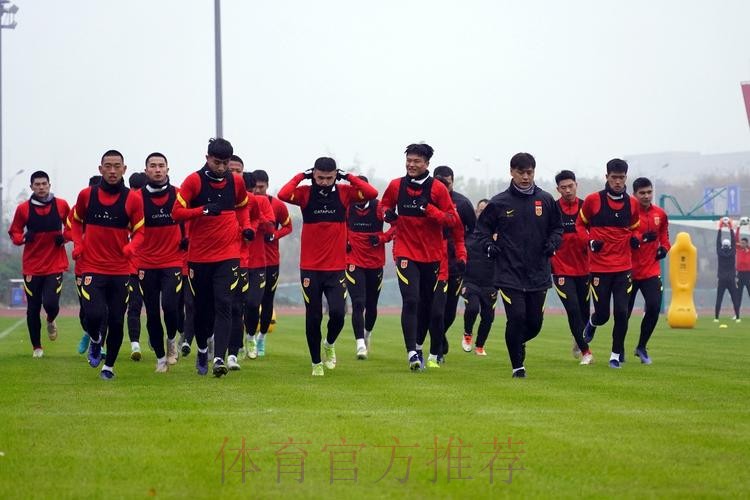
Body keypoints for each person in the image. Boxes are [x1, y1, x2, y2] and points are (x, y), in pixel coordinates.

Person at [278, 157, 377, 376]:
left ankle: (329, 344)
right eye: (320, 177)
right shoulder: (305, 194)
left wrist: (348, 176)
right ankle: (316, 363)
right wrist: (301, 176)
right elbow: (283, 194)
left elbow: (371, 193)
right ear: (313, 174)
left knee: (338, 314)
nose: (324, 182)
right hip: (310, 268)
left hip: (336, 268)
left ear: (335, 176)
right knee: (313, 317)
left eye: (329, 178)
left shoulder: (344, 192)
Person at [172, 138, 253, 377]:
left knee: (224, 303)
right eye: (217, 162)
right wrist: (203, 210)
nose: (221, 167)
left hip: (228, 254)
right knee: (202, 310)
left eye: (225, 163)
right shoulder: (194, 181)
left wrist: (246, 227)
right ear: (207, 158)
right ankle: (201, 349)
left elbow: (243, 206)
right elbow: (176, 213)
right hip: (199, 257)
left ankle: (219, 359)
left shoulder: (236, 181)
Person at [476, 152, 562, 378]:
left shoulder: (545, 200)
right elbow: (482, 230)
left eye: (529, 172)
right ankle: (518, 367)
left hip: (538, 272)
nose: (525, 177)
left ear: (534, 172)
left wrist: (553, 243)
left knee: (534, 323)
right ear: (511, 172)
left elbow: (557, 228)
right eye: (521, 172)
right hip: (509, 272)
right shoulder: (499, 202)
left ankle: (516, 342)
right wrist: (489, 246)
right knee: (516, 318)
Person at [380, 143, 457, 371]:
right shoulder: (396, 185)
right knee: (411, 300)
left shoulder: (438, 189)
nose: (411, 165)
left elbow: (452, 220)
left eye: (417, 161)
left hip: (431, 256)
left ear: (427, 164)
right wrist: (386, 213)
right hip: (405, 252)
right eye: (409, 160)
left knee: (427, 305)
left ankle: (422, 347)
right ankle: (412, 352)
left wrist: (430, 210)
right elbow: (383, 205)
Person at [70, 150, 145, 380]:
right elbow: (75, 222)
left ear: (124, 169)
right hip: (92, 267)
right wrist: (78, 243)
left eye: (117, 166)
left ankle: (109, 367)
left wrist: (131, 247)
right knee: (93, 315)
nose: (112, 171)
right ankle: (95, 339)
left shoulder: (133, 199)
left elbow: (141, 232)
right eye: (108, 166)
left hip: (120, 270)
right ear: (100, 169)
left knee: (116, 320)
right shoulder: (86, 195)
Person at [578, 158, 640, 369]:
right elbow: (580, 225)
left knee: (622, 312)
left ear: (626, 178)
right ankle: (593, 322)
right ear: (607, 177)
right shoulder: (593, 200)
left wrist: (635, 239)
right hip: (599, 268)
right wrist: (590, 242)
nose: (618, 182)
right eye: (614, 177)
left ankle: (615, 355)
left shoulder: (632, 203)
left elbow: (636, 228)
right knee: (603, 315)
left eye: (621, 178)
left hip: (623, 268)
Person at [131, 153, 185, 373]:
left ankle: (171, 340)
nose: (157, 169)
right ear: (146, 171)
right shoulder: (136, 198)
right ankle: (161, 358)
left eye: (161, 165)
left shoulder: (178, 194)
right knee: (152, 313)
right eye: (153, 166)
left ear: (167, 170)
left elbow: (190, 220)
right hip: (146, 263)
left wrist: (187, 239)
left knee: (170, 307)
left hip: (172, 261)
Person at [8, 171, 70, 358]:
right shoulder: (23, 209)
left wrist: (64, 237)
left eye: (44, 184)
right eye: (37, 184)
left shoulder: (61, 205)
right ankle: (37, 347)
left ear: (49, 185)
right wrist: (23, 238)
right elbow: (14, 231)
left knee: (51, 303)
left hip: (55, 264)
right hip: (32, 266)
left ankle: (51, 319)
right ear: (32, 187)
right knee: (33, 308)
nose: (41, 187)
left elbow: (72, 226)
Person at [225, 156, 272, 370]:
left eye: (239, 171)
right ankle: (231, 346)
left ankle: (251, 337)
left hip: (258, 262)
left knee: (253, 304)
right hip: (233, 260)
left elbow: (271, 226)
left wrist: (254, 224)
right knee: (233, 306)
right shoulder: (225, 198)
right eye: (232, 170)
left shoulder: (260, 202)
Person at [345, 176, 394, 360]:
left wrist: (382, 238)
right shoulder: (346, 206)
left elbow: (397, 225)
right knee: (358, 303)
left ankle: (366, 335)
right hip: (353, 261)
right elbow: (338, 226)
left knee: (371, 305)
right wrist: (344, 240)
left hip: (375, 263)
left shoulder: (379, 207)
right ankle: (359, 345)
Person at [550, 170, 593, 365]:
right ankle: (586, 352)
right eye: (563, 187)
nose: (567, 190)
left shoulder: (586, 208)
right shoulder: (553, 209)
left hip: (585, 269)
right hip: (561, 269)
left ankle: (579, 338)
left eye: (570, 186)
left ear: (577, 185)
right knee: (573, 309)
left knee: (584, 312)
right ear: (558, 189)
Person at [249, 169, 293, 358]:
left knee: (267, 300)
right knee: (249, 302)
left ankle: (261, 338)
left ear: (267, 185)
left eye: (261, 187)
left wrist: (275, 235)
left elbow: (288, 226)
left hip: (271, 260)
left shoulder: (278, 205)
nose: (258, 191)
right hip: (250, 261)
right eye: (255, 187)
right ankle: (248, 338)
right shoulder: (247, 202)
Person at [627, 177, 671, 364]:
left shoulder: (660, 214)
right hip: (628, 270)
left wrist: (664, 249)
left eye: (649, 192)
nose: (646, 196)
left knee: (654, 307)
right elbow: (626, 237)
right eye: (642, 193)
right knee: (623, 313)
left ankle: (641, 347)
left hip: (651, 271)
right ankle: (618, 349)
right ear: (634, 194)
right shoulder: (627, 213)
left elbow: (665, 237)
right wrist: (641, 238)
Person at [432, 166, 476, 355]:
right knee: (434, 308)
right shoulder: (427, 200)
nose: (443, 186)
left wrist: (463, 253)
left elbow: (473, 231)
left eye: (447, 183)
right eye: (439, 182)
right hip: (432, 261)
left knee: (449, 310)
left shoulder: (463, 203)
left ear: (452, 182)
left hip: (455, 265)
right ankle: (437, 345)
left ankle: (440, 336)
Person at [460, 230, 497, 356]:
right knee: (473, 308)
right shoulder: (469, 235)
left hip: (490, 283)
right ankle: (467, 334)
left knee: (488, 317)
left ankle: (480, 346)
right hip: (471, 281)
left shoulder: (497, 237)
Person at [126, 171, 147, 360]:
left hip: (151, 266)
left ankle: (155, 336)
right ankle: (135, 344)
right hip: (130, 267)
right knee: (133, 305)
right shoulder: (125, 206)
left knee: (155, 307)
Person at [714, 218, 740, 322]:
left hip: (722, 278)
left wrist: (720, 228)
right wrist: (731, 228)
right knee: (734, 298)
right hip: (731, 278)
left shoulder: (720, 253)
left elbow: (717, 242)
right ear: (729, 246)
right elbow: (734, 242)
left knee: (719, 298)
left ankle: (716, 318)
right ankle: (737, 317)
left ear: (722, 245)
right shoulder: (732, 253)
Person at [736, 222, 750, 313]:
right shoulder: (738, 249)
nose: (741, 244)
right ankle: (737, 313)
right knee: (738, 294)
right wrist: (738, 227)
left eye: (743, 243)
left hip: (748, 274)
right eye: (741, 243)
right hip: (740, 274)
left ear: (747, 243)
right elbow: (735, 238)